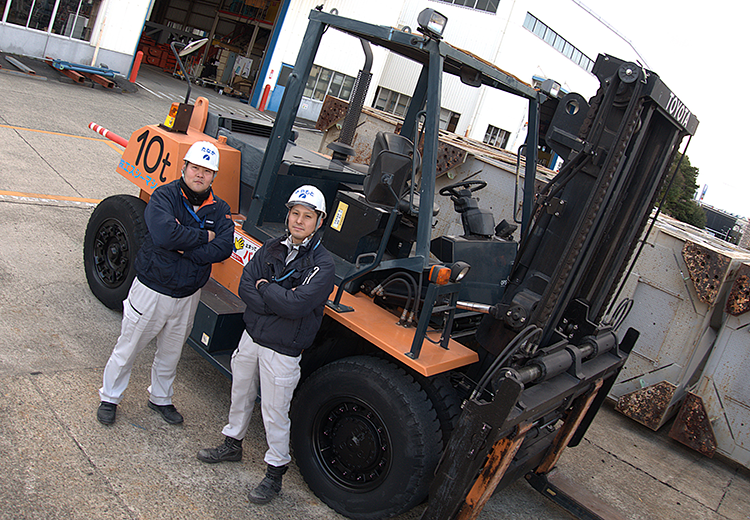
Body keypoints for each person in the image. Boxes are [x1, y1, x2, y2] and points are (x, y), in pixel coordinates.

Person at [197, 185, 335, 505]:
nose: (299, 221)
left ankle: (274, 473)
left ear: (320, 221)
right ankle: (232, 443)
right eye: (295, 213)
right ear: (288, 215)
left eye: (307, 216)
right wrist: (274, 296)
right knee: (240, 392)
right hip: (252, 337)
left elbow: (298, 305)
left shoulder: (323, 265)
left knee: (274, 412)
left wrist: (267, 290)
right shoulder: (272, 247)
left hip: (283, 351)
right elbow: (247, 286)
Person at [97, 141, 234, 426]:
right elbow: (164, 236)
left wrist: (185, 242)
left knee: (171, 355)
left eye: (207, 171)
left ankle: (160, 398)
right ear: (184, 167)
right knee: (128, 348)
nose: (200, 175)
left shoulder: (220, 209)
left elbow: (223, 248)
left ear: (214, 177)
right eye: (195, 167)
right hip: (152, 290)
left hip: (187, 295)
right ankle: (109, 397)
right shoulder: (164, 196)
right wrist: (202, 238)